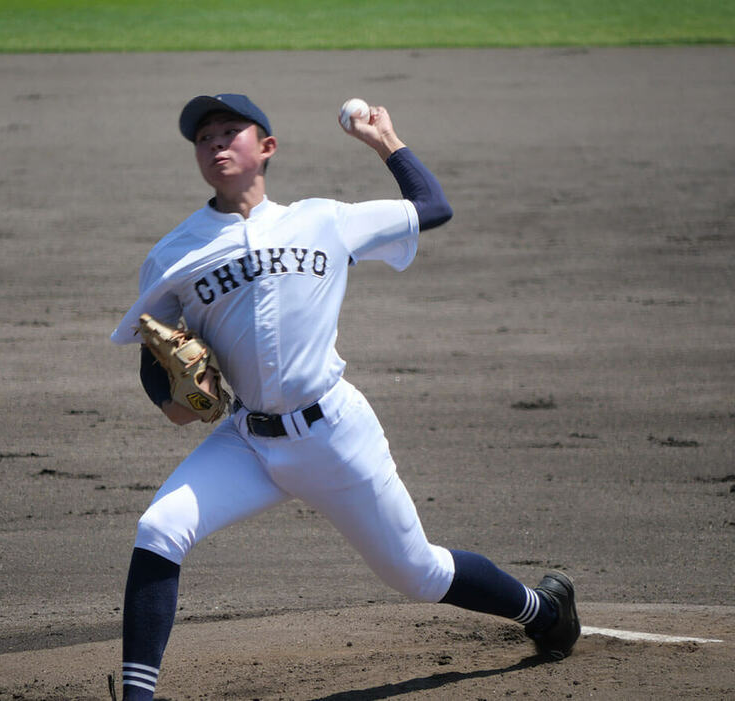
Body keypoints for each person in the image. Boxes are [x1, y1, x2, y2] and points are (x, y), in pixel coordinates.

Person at [110, 93, 580, 700]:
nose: (217, 145)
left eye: (231, 131)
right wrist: (171, 401)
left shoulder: (323, 219)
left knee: (419, 573)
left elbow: (432, 207)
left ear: (267, 148)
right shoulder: (175, 253)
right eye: (205, 138)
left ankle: (543, 611)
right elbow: (154, 352)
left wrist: (385, 140)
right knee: (160, 528)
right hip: (248, 443)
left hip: (334, 434)